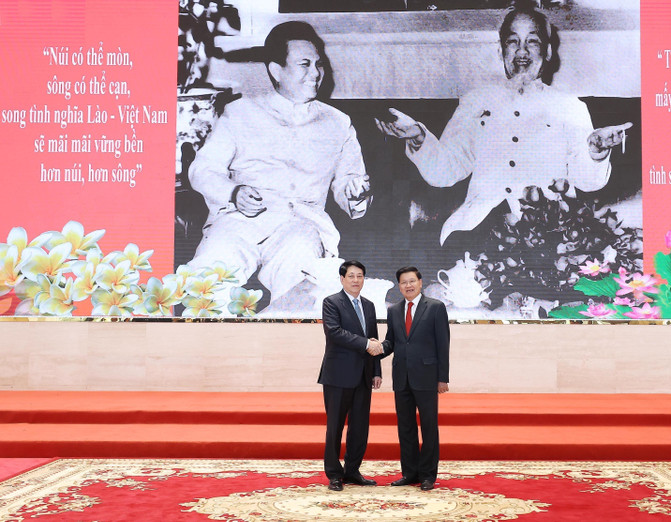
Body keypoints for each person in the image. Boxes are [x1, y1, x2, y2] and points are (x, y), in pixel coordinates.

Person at [374, 2, 631, 246]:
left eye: (532, 41)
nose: (522, 50)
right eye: (512, 41)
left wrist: (596, 150)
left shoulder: (571, 107)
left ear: (548, 51)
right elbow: (444, 171)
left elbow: (588, 181)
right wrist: (419, 137)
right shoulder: (475, 102)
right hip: (478, 229)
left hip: (549, 231)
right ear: (501, 50)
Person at [186, 21, 371, 307]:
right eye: (305, 64)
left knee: (304, 296)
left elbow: (351, 184)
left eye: (318, 64)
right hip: (238, 221)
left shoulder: (339, 123)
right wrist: (233, 193)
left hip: (299, 225)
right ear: (276, 71)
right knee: (206, 285)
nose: (316, 73)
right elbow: (202, 170)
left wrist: (356, 196)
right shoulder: (240, 113)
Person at [381, 267, 450, 491]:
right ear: (399, 286)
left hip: (427, 377)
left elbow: (443, 344)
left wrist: (442, 378)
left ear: (420, 283)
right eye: (403, 282)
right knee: (406, 428)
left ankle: (428, 475)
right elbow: (391, 342)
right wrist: (374, 348)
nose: (408, 285)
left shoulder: (436, 307)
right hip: (402, 377)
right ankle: (409, 473)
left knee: (429, 427)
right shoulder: (394, 310)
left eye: (412, 281)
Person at [318, 260, 384, 491]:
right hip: (337, 375)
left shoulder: (369, 305)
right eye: (351, 276)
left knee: (360, 426)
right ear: (342, 279)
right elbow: (335, 332)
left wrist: (376, 370)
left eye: (360, 276)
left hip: (364, 376)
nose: (356, 280)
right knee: (335, 426)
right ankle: (335, 474)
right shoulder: (331, 302)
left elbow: (374, 339)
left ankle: (353, 470)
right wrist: (366, 344)